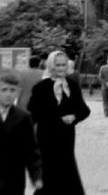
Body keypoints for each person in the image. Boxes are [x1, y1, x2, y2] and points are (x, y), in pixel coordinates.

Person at [28, 50, 91, 195]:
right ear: (51, 66)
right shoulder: (41, 87)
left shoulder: (73, 86)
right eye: (58, 65)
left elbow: (84, 110)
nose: (61, 68)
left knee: (68, 175)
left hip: (66, 139)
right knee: (47, 176)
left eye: (64, 65)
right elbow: (34, 114)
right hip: (46, 139)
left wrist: (74, 117)